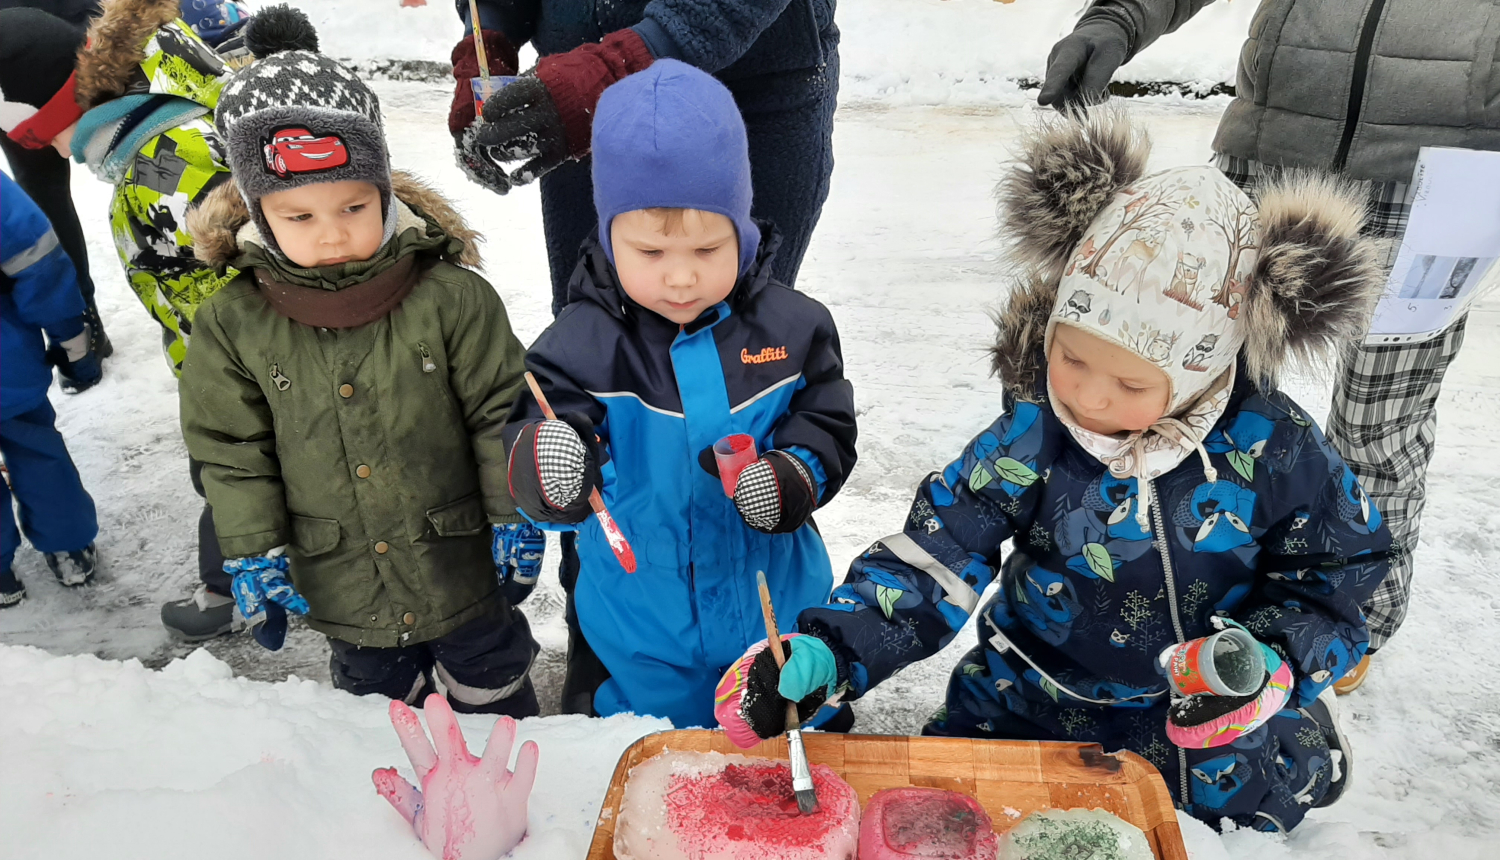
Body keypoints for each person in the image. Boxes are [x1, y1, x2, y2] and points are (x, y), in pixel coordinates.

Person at [717, 110, 1394, 833]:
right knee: (953, 820)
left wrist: (1271, 661)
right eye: (1071, 357)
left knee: (1217, 824)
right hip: (1031, 689)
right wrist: (832, 648)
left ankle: (1310, 742)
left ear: (1205, 369)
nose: (1091, 398)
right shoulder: (1034, 428)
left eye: (1132, 386)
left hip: (1196, 712)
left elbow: (1340, 577)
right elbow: (938, 558)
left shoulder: (1275, 448)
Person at [1037, 0, 1492, 694]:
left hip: (1438, 179)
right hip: (1272, 153)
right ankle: (1163, 591)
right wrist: (1118, 20)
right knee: (1198, 396)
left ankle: (1342, 619)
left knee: (1379, 422)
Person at [180, 7, 543, 716]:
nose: (334, 233)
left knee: (493, 690)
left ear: (384, 191)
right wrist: (252, 545)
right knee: (382, 715)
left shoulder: (451, 298)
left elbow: (500, 408)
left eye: (353, 205)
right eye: (300, 216)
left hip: (460, 566)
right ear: (257, 212)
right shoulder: (233, 321)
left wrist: (510, 512)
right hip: (342, 577)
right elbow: (231, 448)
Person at [503, 60, 857, 728]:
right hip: (642, 627)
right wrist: (550, 463)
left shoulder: (793, 327)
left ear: (743, 230)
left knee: (792, 763)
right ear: (610, 239)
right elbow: (539, 439)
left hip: (774, 618)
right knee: (657, 774)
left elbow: (826, 424)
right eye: (652, 253)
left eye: (707, 248)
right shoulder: (579, 345)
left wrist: (793, 475)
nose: (682, 279)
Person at [449, 0, 839, 306]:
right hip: (573, 91)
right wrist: (488, 31)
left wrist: (623, 64)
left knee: (739, 337)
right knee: (591, 333)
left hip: (749, 81)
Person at [1, 170, 101, 606]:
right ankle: (68, 547)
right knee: (37, 449)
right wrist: (70, 339)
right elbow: (38, 261)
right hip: (6, 364)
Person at [0, 4, 113, 383]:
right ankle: (79, 319)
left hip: (69, 40)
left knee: (130, 151)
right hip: (10, 74)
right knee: (42, 197)